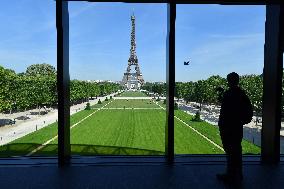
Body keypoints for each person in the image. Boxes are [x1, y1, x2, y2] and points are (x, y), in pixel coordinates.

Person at [216, 72, 252, 183]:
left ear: (229, 81)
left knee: (230, 151)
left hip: (227, 127)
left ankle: (231, 174)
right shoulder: (241, 94)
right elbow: (248, 111)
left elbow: (225, 109)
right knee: (236, 150)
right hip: (236, 127)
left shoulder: (229, 93)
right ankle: (238, 173)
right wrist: (241, 121)